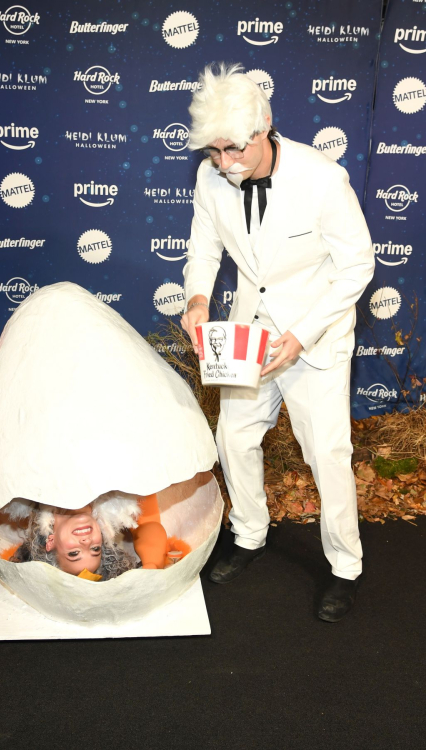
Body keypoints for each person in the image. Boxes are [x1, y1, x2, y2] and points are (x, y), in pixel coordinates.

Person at [181, 63, 375, 622]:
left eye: (234, 149)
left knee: (328, 455)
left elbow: (357, 266)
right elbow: (204, 248)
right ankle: (248, 534)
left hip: (314, 335)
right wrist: (197, 299)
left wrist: (300, 334)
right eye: (214, 151)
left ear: (265, 126)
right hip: (250, 331)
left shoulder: (321, 179)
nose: (224, 162)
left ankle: (345, 567)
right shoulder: (209, 176)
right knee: (234, 438)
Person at [5, 492, 185, 579]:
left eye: (74, 553)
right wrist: (152, 565)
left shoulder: (23, 494)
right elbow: (148, 523)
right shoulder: (120, 500)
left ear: (50, 542)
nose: (86, 542)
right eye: (95, 549)